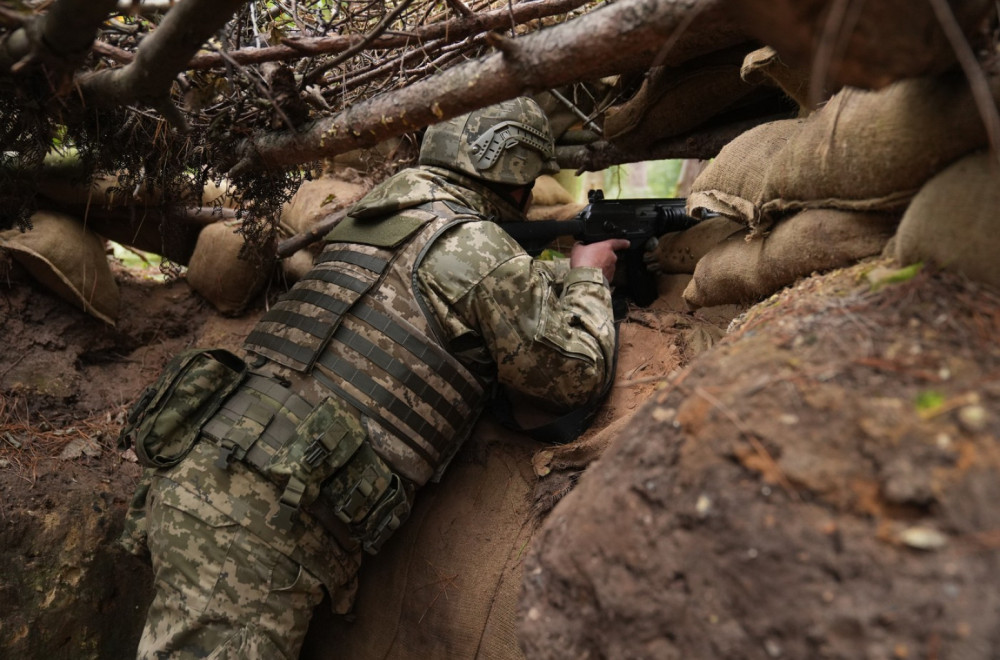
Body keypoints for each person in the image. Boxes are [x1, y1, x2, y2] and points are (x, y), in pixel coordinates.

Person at [120, 96, 628, 659]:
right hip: (261, 518)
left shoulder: (369, 221)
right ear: (516, 176)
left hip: (207, 469)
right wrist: (587, 279)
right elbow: (573, 375)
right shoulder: (477, 246)